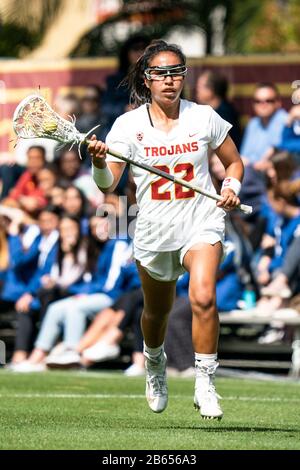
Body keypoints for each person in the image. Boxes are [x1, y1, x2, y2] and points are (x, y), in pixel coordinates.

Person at [88, 40, 244, 420]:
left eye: (176, 72)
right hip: (155, 229)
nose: (169, 80)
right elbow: (109, 184)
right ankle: (153, 362)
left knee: (203, 297)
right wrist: (97, 162)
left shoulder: (203, 116)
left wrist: (230, 188)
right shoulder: (127, 126)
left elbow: (234, 163)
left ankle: (205, 381)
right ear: (147, 79)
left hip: (201, 221)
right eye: (161, 73)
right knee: (155, 314)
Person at [196, 70, 242, 149]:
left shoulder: (225, 114)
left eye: (199, 86)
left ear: (211, 90)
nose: (197, 90)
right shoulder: (204, 112)